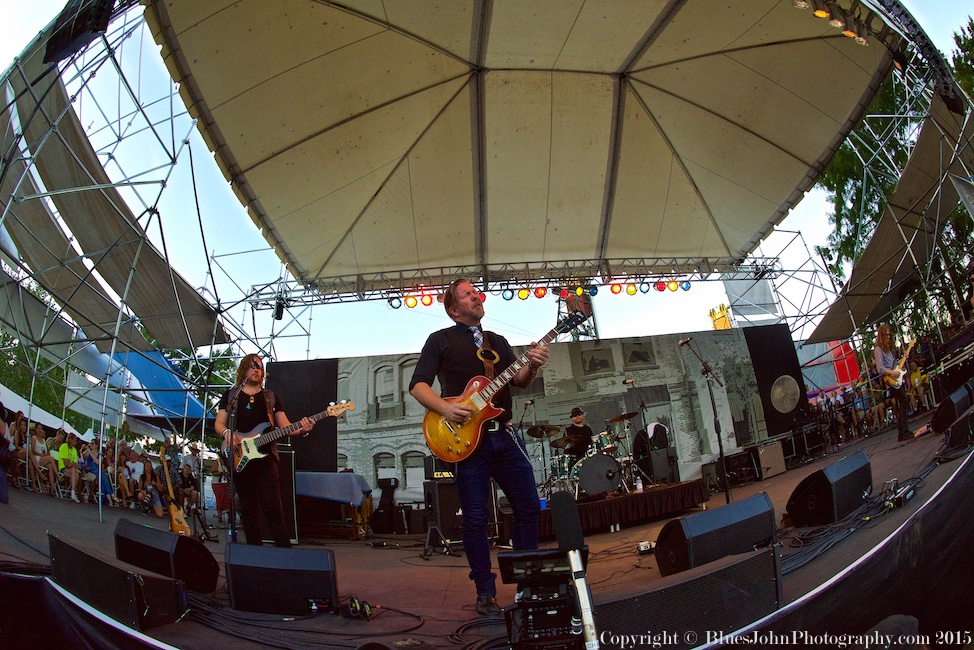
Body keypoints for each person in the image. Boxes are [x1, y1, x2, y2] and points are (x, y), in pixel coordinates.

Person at [409, 278, 549, 616]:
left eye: (476, 292)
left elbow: (518, 382)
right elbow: (417, 386)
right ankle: (485, 592)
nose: (476, 296)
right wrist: (445, 408)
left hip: (504, 435)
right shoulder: (440, 339)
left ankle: (528, 585)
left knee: (529, 508)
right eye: (468, 294)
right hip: (466, 440)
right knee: (475, 518)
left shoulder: (497, 341)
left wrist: (531, 363)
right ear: (454, 308)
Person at [214, 354, 313, 547]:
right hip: (239, 459)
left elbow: (285, 426)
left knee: (273, 508)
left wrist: (303, 430)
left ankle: (284, 553)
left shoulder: (271, 397)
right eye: (252, 365)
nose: (256, 368)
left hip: (266, 459)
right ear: (244, 369)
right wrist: (227, 433)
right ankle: (255, 554)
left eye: (259, 366)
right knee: (248, 510)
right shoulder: (231, 395)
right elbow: (219, 423)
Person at [874, 324, 911, 441]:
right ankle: (903, 431)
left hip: (895, 377)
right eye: (887, 335)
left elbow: (894, 364)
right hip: (890, 379)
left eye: (890, 335)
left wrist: (902, 360)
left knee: (902, 402)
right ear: (882, 336)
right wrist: (891, 373)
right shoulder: (878, 349)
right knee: (903, 401)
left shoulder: (889, 350)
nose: (889, 338)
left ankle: (902, 432)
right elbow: (880, 368)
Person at [57, 432, 83, 502]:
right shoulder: (64, 446)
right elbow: (66, 464)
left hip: (71, 469)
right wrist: (71, 464)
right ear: (70, 440)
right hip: (63, 468)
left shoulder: (74, 450)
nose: (76, 442)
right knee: (75, 472)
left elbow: (76, 464)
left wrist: (71, 463)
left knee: (76, 472)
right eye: (75, 440)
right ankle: (73, 492)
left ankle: (72, 492)